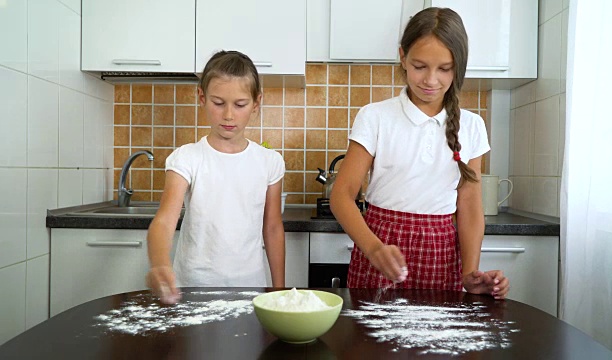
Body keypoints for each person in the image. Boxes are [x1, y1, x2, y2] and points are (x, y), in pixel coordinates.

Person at [330, 7, 510, 299]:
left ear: (458, 67)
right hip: (381, 249)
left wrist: (469, 273)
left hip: (442, 254)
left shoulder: (472, 126)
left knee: (435, 340)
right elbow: (341, 194)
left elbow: (470, 206)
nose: (430, 80)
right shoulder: (375, 117)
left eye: (444, 68)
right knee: (371, 342)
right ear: (402, 57)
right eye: (419, 66)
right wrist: (374, 249)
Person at [145, 50, 286, 304]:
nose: (229, 115)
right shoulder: (187, 159)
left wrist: (279, 291)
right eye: (218, 103)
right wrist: (159, 263)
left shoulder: (269, 162)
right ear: (202, 97)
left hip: (250, 289)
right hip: (194, 289)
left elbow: (273, 228)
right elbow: (164, 221)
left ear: (256, 103)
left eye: (240, 104)